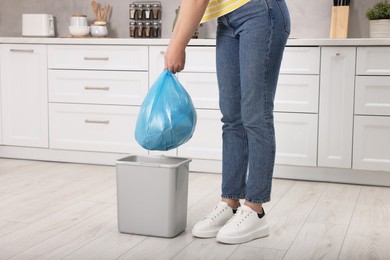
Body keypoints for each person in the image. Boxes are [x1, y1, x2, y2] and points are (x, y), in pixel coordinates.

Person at [165, 0, 290, 244]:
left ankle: (255, 209)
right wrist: (176, 38)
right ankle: (230, 202)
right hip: (227, 19)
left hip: (260, 12)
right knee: (232, 119)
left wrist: (177, 44)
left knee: (256, 115)